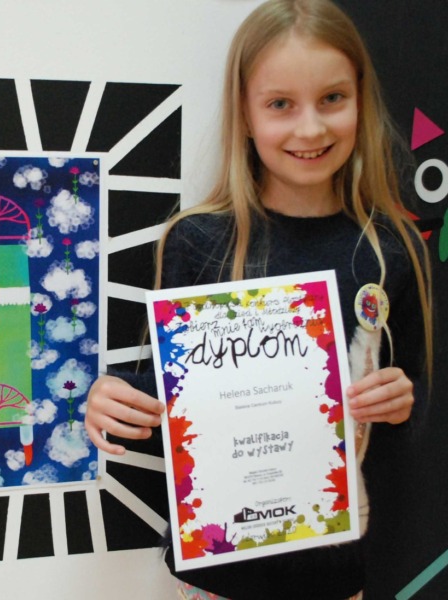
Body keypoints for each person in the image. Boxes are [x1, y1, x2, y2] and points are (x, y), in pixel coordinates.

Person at [85, 1, 432, 598]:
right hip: (217, 576)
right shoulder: (197, 240)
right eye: (280, 104)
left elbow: (417, 408)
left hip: (336, 577)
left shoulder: (391, 248)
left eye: (332, 98)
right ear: (244, 114)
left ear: (361, 100)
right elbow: (181, 406)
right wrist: (114, 400)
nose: (310, 129)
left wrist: (402, 402)